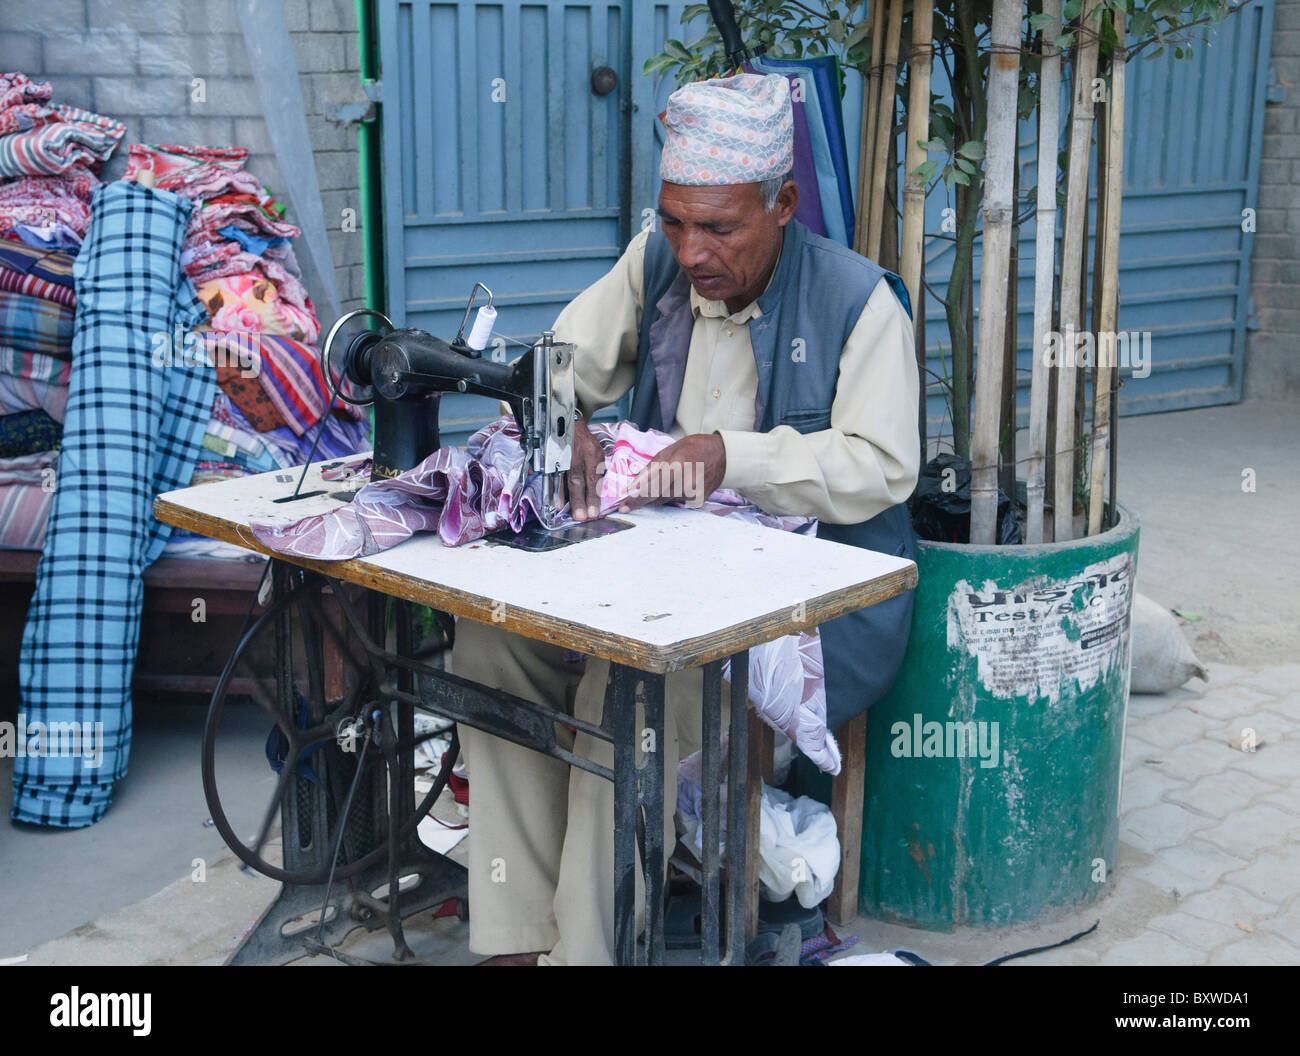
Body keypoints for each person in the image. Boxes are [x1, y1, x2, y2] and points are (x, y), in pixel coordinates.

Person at [453, 72, 919, 965]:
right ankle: (516, 939)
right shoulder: (658, 261)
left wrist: (728, 455)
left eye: (718, 226)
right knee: (491, 646)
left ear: (783, 204)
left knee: (629, 688)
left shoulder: (859, 303)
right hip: (669, 573)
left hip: (822, 600)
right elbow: (556, 359)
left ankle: (587, 953)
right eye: (674, 221)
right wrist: (568, 418)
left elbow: (880, 466)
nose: (691, 249)